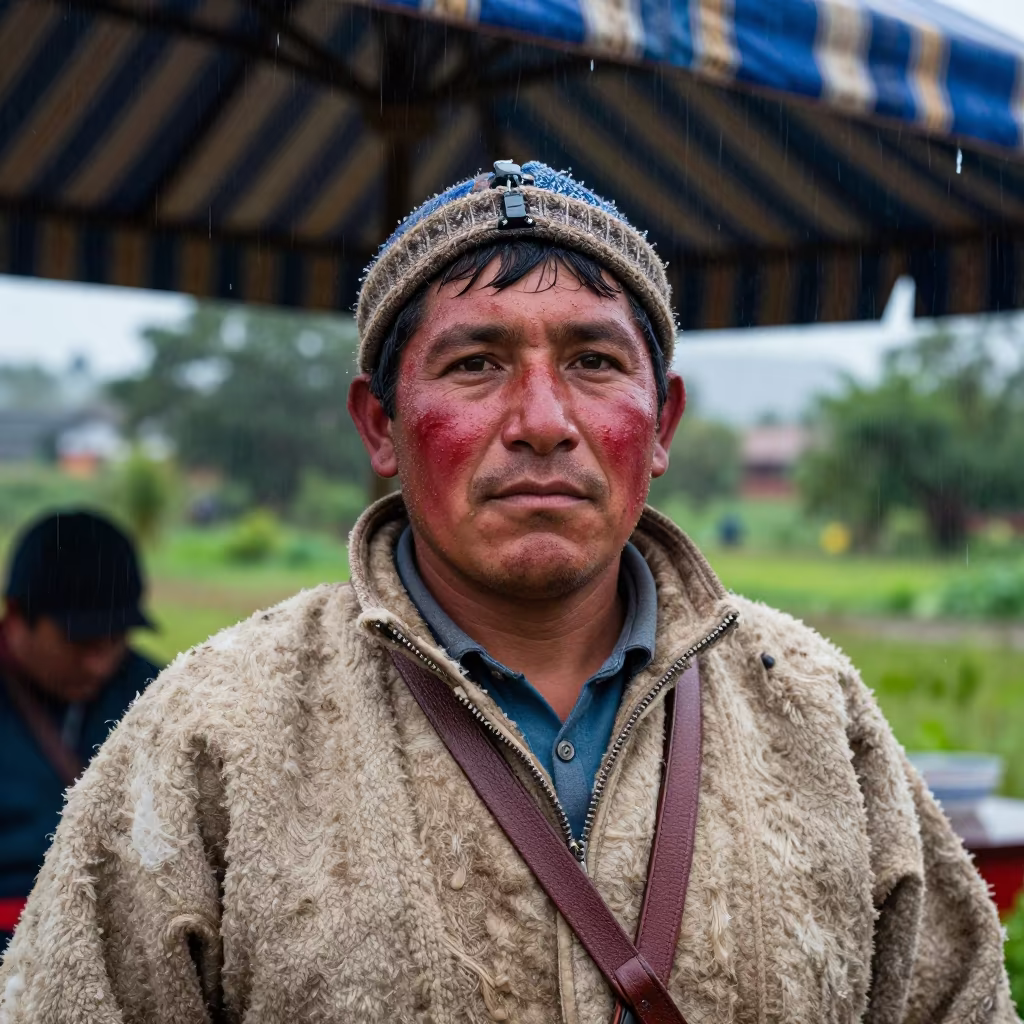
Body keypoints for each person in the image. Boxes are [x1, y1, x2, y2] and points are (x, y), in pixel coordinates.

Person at [0, 163, 1016, 1023]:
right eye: (476, 362)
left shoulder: (810, 705)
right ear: (381, 426)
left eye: (592, 360)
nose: (541, 419)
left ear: (659, 423)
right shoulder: (213, 731)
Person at [0, 510, 159, 950]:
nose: (100, 662)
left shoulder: (157, 695)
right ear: (16, 616)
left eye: (115, 639)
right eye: (80, 642)